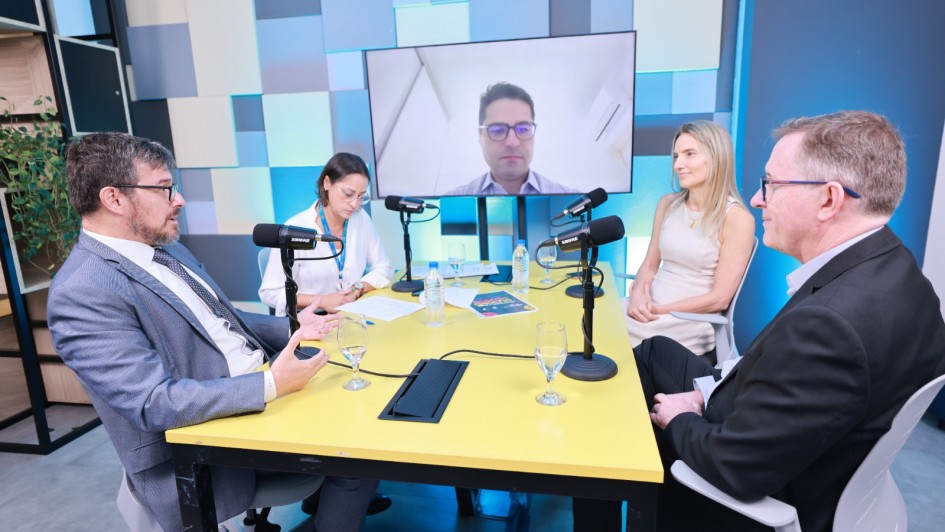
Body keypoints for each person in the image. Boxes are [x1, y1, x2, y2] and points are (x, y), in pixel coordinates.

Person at [593, 110, 945, 532]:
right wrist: (706, 394)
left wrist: (681, 415)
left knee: (639, 410)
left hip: (762, 489)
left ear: (829, 200)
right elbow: (790, 381)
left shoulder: (830, 326)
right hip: (790, 430)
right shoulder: (900, 272)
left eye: (772, 185)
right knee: (654, 352)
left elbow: (735, 468)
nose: (759, 199)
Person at [47, 132, 379, 532]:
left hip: (259, 385)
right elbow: (153, 402)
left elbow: (222, 320)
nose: (179, 200)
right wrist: (271, 384)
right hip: (211, 442)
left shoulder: (165, 248)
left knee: (373, 411)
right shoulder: (81, 292)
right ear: (113, 198)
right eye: (165, 188)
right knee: (363, 453)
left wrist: (295, 327)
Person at [625, 121, 756, 358]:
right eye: (676, 156)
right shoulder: (667, 204)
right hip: (651, 308)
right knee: (596, 319)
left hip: (688, 320)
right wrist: (638, 294)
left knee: (611, 337)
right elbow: (649, 265)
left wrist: (659, 309)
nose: (678, 165)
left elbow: (719, 299)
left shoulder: (737, 219)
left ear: (716, 158)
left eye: (689, 154)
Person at [259, 152, 393, 314]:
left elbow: (384, 267)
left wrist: (356, 289)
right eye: (348, 194)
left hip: (351, 315)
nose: (354, 204)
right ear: (327, 183)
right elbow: (269, 293)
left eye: (360, 197)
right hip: (311, 321)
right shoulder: (295, 228)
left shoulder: (361, 219)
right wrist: (321, 301)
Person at [445, 82, 580, 195]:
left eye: (523, 129)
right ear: (481, 135)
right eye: (497, 130)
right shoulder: (448, 206)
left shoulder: (573, 203)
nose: (512, 143)